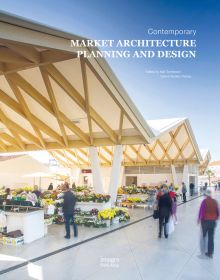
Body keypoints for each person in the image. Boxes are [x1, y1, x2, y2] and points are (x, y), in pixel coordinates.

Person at [198, 189, 219, 258]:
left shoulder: (204, 201)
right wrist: (216, 218)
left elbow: (201, 211)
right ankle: (210, 253)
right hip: (213, 222)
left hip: (205, 221)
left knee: (203, 236)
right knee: (211, 237)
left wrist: (199, 219)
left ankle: (203, 252)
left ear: (206, 195)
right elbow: (218, 212)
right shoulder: (215, 201)